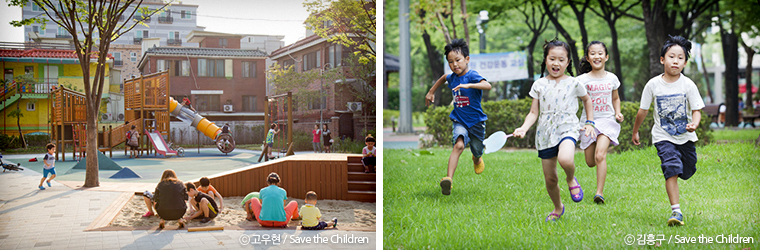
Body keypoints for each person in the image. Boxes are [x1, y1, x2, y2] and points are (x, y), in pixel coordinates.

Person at [513, 39, 596, 222]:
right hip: (545, 134)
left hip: (568, 127)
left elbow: (587, 100)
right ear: (546, 60)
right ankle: (558, 207)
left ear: (568, 62)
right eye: (552, 59)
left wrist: (589, 122)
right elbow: (533, 112)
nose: (556, 63)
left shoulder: (574, 83)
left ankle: (571, 179)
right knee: (550, 179)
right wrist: (524, 128)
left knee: (565, 158)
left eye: (561, 60)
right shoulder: (539, 84)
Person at [632, 35, 704, 227]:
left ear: (685, 62)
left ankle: (681, 169)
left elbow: (696, 110)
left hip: (686, 136)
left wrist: (694, 124)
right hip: (663, 136)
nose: (676, 61)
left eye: (680, 57)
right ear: (662, 59)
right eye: (672, 56)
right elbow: (643, 110)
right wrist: (635, 131)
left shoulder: (688, 85)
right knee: (671, 168)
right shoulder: (653, 85)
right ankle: (676, 211)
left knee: (687, 170)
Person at [424, 38, 492, 196]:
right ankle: (448, 179)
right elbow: (443, 78)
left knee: (477, 150)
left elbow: (487, 85)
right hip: (459, 120)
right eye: (450, 62)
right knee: (459, 145)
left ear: (467, 59)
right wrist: (431, 91)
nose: (454, 65)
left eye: (458, 60)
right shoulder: (452, 77)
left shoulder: (472, 75)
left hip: (476, 122)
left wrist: (469, 85)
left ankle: (477, 159)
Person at [577, 41, 624, 204]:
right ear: (588, 58)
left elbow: (616, 98)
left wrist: (618, 112)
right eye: (592, 54)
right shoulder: (581, 80)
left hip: (607, 121)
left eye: (600, 53)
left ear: (606, 57)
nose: (597, 56)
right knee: (590, 162)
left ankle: (599, 193)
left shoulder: (612, 78)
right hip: (588, 123)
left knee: (600, 155)